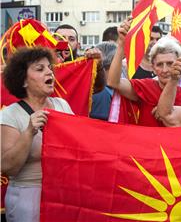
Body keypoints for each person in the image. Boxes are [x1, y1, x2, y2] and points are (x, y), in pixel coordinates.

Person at [1, 47, 73, 222]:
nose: (49, 72)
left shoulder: (62, 105)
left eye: (49, 67)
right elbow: (8, 167)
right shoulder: (9, 115)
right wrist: (29, 132)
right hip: (27, 198)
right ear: (24, 81)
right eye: (40, 69)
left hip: (62, 194)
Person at [107, 19, 181, 127]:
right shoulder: (145, 87)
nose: (165, 70)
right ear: (153, 67)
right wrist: (122, 43)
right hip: (146, 143)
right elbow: (113, 82)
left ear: (180, 63)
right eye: (159, 64)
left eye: (170, 63)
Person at [54, 24, 105, 94]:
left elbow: (98, 87)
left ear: (78, 45)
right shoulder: (46, 64)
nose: (66, 43)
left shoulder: (84, 65)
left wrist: (98, 65)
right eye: (61, 39)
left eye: (71, 39)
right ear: (53, 42)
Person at [90, 41, 123, 121]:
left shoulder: (107, 89)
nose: (123, 65)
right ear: (112, 63)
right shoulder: (102, 93)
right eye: (120, 61)